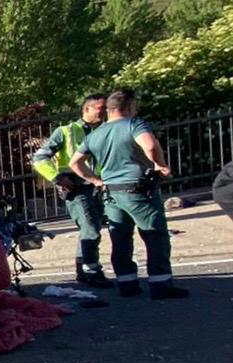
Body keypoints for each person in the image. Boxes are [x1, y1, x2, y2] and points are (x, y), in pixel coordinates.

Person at [70, 89, 188, 299]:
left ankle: (127, 283)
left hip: (111, 194)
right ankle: (161, 285)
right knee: (154, 235)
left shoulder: (96, 134)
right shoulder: (135, 124)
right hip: (138, 189)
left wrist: (96, 181)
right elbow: (150, 146)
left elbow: (75, 163)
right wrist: (160, 165)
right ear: (130, 106)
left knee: (121, 238)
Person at [32, 93, 112, 288]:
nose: (104, 113)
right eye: (100, 109)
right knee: (91, 229)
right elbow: (39, 158)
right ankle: (91, 271)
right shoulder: (66, 131)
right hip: (75, 186)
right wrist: (57, 178)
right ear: (87, 109)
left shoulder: (105, 131)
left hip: (98, 185)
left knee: (90, 228)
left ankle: (83, 271)